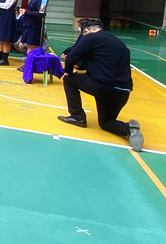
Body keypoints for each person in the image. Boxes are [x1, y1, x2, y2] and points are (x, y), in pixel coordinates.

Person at [58, 18, 143, 151]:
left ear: (87, 30)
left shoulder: (90, 38)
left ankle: (77, 117)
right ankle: (129, 129)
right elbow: (97, 63)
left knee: (68, 80)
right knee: (105, 122)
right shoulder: (117, 42)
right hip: (123, 92)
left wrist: (68, 72)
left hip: (103, 87)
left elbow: (71, 58)